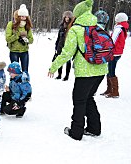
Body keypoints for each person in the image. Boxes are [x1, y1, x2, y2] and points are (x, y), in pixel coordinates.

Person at [48, 0, 107, 141]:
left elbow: (67, 53)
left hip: (85, 72)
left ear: (77, 14)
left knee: (79, 100)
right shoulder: (98, 26)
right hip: (101, 69)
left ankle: (76, 132)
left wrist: (54, 66)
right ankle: (94, 128)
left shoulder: (76, 29)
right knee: (89, 98)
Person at [101, 13, 129, 98]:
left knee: (111, 71)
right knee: (110, 70)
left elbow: (113, 40)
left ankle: (115, 91)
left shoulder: (119, 28)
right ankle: (110, 90)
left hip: (114, 52)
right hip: (118, 52)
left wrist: (106, 47)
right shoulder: (123, 27)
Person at [5, 4, 33, 73]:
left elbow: (31, 39)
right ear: (18, 16)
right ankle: (14, 83)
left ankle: (25, 83)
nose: (24, 18)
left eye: (25, 16)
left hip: (24, 51)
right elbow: (8, 39)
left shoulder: (27, 25)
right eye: (22, 16)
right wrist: (17, 35)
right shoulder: (11, 24)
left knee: (25, 72)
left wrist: (26, 40)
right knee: (14, 72)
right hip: (14, 51)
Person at [52, 11, 73, 81]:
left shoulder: (72, 27)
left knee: (68, 61)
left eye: (68, 17)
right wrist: (56, 44)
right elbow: (58, 37)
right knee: (59, 59)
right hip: (60, 45)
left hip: (68, 45)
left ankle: (67, 76)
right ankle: (59, 74)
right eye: (65, 17)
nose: (67, 19)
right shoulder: (62, 26)